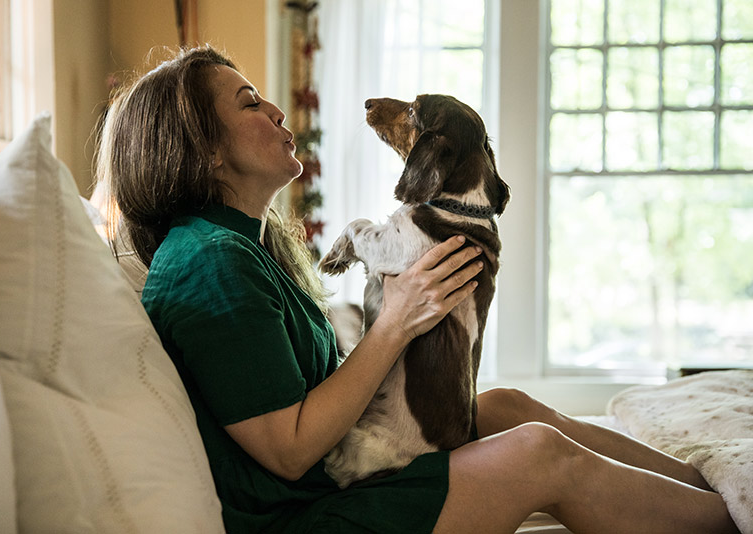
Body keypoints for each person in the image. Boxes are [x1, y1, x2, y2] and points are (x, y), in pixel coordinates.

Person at [95, 45, 739, 534]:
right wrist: (396, 320)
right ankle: (729, 523)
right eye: (248, 103)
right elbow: (288, 452)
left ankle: (715, 485)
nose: (276, 111)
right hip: (309, 513)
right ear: (201, 150)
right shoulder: (209, 264)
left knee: (504, 405)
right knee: (538, 452)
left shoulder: (237, 244)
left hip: (337, 475)